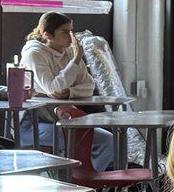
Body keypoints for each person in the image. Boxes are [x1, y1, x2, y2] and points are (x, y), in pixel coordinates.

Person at [19, 11, 112, 170]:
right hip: (33, 125)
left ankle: (87, 182)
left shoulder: (69, 52)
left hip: (62, 121)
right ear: (48, 35)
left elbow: (89, 86)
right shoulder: (34, 54)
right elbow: (54, 88)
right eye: (64, 32)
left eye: (71, 30)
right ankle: (72, 183)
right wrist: (76, 60)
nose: (71, 36)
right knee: (73, 141)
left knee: (108, 140)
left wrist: (70, 93)